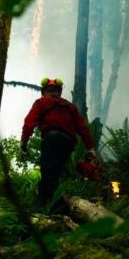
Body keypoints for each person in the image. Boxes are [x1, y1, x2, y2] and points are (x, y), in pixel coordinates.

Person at [20, 78, 97, 208]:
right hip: (67, 144)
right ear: (59, 92)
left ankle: (58, 208)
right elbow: (82, 128)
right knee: (52, 174)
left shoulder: (42, 102)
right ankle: (43, 205)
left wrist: (23, 143)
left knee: (48, 175)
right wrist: (90, 148)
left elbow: (29, 123)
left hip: (52, 140)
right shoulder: (70, 106)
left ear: (43, 91)